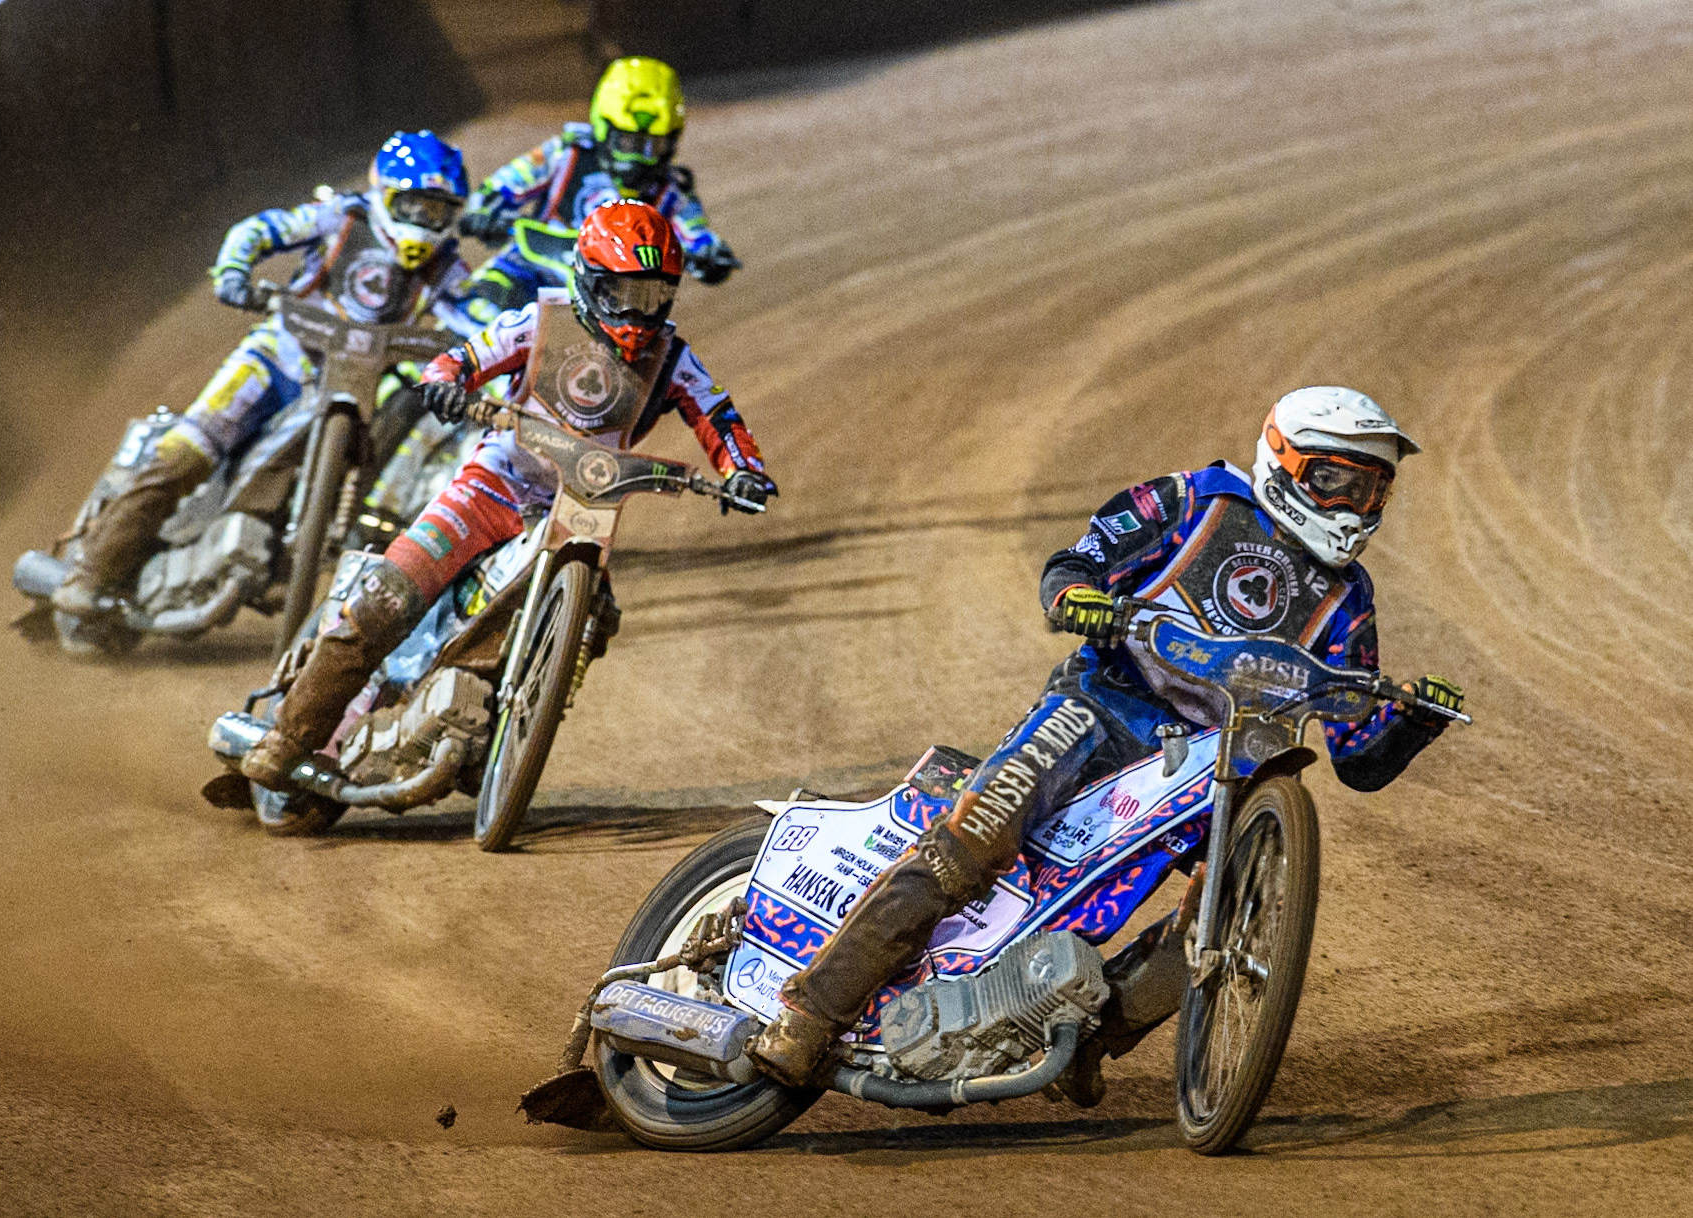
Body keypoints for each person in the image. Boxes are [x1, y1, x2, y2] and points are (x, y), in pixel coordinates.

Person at [745, 386, 1465, 1097]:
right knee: (976, 836)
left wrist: (1413, 721)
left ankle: (1083, 1033)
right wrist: (1078, 598)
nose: (1353, 506)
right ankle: (810, 1013)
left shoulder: (1350, 599)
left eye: (1373, 491)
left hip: (1217, 765)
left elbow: (1358, 756)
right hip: (1098, 709)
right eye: (1336, 480)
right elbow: (1078, 563)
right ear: (1282, 461)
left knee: (1226, 927)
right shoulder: (1195, 500)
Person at [238, 199, 775, 787]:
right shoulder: (539, 322)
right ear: (590, 282)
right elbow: (462, 358)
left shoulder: (673, 357)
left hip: (581, 508)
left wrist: (742, 469)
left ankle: (500, 732)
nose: (638, 313)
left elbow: (717, 415)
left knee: (596, 618)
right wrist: (445, 384)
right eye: (623, 293)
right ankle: (288, 738)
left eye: (653, 296)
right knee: (389, 594)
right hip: (493, 484)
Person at [52, 131, 489, 618]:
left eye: (438, 211)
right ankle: (91, 571)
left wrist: (481, 360)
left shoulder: (447, 267)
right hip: (279, 358)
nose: (425, 223)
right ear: (385, 194)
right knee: (192, 449)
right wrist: (234, 272)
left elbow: (475, 321)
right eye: (414, 207)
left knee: (377, 449)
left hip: (358, 381)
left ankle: (288, 554)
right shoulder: (341, 217)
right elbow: (259, 230)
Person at [457, 56, 739, 326]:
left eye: (655, 145)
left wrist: (710, 254)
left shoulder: (672, 190)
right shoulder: (567, 153)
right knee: (477, 307)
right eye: (629, 144)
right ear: (604, 128)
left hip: (611, 303)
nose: (640, 157)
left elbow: (696, 235)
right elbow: (502, 185)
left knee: (648, 342)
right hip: (532, 271)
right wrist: (485, 210)